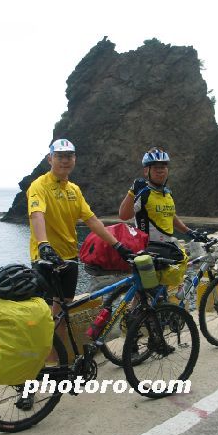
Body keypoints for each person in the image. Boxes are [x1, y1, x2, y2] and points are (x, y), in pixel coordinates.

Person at [26, 138, 133, 331]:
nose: (65, 160)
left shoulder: (74, 190)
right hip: (46, 258)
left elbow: (91, 220)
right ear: (50, 159)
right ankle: (48, 361)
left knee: (62, 313)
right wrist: (43, 244)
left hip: (69, 258)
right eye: (60, 156)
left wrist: (118, 246)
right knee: (45, 313)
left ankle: (61, 360)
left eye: (69, 156)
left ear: (74, 159)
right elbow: (36, 215)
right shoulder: (38, 186)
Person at [119, 147, 206, 291]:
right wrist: (132, 191)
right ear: (146, 171)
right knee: (147, 295)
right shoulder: (144, 193)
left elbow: (170, 216)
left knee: (160, 295)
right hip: (148, 252)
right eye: (156, 167)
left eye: (163, 167)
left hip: (166, 251)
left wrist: (189, 232)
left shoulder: (167, 193)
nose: (160, 170)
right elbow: (123, 215)